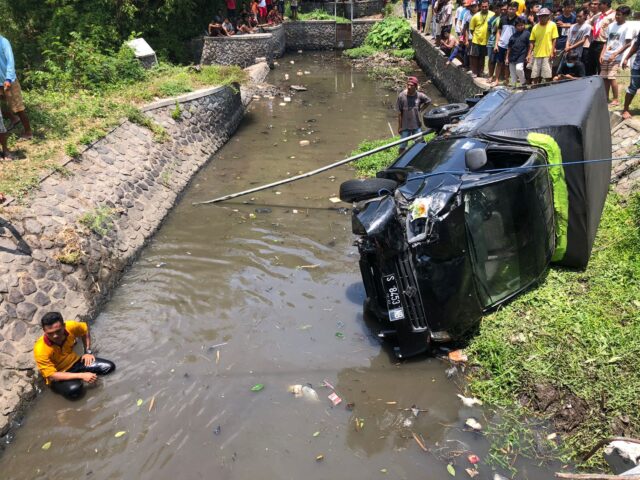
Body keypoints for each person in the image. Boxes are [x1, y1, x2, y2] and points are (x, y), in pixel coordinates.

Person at [33, 312, 116, 400]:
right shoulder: (40, 350)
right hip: (59, 374)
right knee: (75, 391)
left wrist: (87, 352)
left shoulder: (71, 326)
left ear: (64, 326)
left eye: (58, 331)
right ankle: (77, 381)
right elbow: (52, 375)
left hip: (75, 362)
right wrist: (82, 376)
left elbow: (85, 329)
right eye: (50, 333)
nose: (55, 336)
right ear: (44, 331)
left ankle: (81, 379)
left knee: (109, 367)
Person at [0, 34, 32, 141]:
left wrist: (8, 79)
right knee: (2, 105)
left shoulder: (4, 42)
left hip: (9, 81)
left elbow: (10, 61)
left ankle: (28, 132)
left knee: (18, 108)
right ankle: (13, 118)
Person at [599, 5, 631, 106]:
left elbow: (628, 43)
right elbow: (606, 42)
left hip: (616, 57)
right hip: (606, 55)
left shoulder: (627, 27)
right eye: (616, 14)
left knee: (611, 77)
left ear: (625, 15)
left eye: (619, 15)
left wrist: (615, 54)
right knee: (604, 77)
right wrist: (602, 53)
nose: (617, 16)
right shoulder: (611, 25)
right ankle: (605, 98)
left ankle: (616, 99)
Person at [397, 76, 431, 154]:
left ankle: (419, 159)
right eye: (408, 84)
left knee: (420, 144)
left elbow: (428, 101)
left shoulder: (419, 95)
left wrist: (420, 110)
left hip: (416, 125)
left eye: (411, 85)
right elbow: (399, 113)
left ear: (415, 86)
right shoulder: (401, 96)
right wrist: (399, 127)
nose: (409, 87)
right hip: (405, 126)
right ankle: (399, 161)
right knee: (402, 146)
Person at [527, 7, 558, 83]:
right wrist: (529, 54)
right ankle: (535, 88)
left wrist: (552, 51)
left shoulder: (553, 25)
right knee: (535, 74)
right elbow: (532, 41)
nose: (543, 17)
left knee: (547, 74)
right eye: (541, 16)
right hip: (537, 53)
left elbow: (554, 39)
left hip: (547, 53)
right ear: (539, 16)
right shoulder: (535, 27)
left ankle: (546, 89)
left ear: (548, 16)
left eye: (545, 15)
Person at [494, 2, 521, 85]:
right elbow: (498, 32)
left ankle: (506, 80)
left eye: (513, 9)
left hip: (512, 46)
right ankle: (496, 80)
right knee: (498, 63)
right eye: (510, 8)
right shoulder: (503, 18)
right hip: (501, 44)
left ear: (516, 10)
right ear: (507, 9)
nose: (511, 10)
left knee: (508, 64)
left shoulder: (518, 20)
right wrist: (496, 44)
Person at [469, 0, 495, 77]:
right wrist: (477, 35)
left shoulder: (493, 15)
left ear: (488, 6)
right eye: (482, 7)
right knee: (474, 56)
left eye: (485, 6)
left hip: (487, 40)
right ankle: (474, 72)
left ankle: (481, 71)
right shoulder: (475, 16)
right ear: (480, 7)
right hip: (476, 39)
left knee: (482, 57)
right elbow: (471, 29)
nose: (484, 8)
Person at [587, 0, 614, 75]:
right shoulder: (598, 15)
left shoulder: (613, 16)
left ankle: (601, 84)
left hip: (604, 43)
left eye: (599, 4)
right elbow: (586, 23)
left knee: (600, 66)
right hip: (594, 42)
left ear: (605, 4)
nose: (596, 6)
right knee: (591, 64)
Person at [506, 17, 530, 84]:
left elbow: (530, 45)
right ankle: (514, 86)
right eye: (518, 25)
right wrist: (507, 58)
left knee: (519, 69)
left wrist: (528, 55)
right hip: (512, 56)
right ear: (515, 26)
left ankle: (523, 82)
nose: (520, 27)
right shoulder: (513, 36)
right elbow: (509, 47)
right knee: (513, 74)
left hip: (521, 55)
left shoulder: (527, 33)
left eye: (522, 25)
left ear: (524, 25)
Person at [487, 2, 506, 83]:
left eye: (499, 9)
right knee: (491, 60)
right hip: (492, 41)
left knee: (501, 61)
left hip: (503, 42)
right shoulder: (491, 19)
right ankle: (490, 76)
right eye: (495, 8)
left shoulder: (505, 19)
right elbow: (489, 30)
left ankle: (500, 77)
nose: (497, 10)